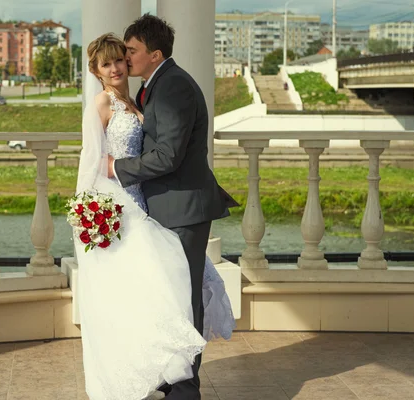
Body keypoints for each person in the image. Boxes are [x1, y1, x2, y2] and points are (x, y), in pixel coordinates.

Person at [75, 31, 235, 400]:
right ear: (96, 71)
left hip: (150, 205)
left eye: (123, 56)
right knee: (150, 293)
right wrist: (90, 212)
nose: (119, 65)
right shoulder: (103, 103)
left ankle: (178, 382)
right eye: (110, 62)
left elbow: (166, 153)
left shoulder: (140, 97)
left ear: (151, 54)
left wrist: (119, 169)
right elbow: (91, 162)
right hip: (125, 208)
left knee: (171, 292)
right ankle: (167, 379)